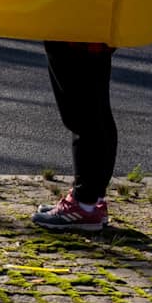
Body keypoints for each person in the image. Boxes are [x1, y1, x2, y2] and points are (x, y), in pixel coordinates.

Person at [32, 41, 117, 232]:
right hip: (96, 32)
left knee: (81, 116)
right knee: (98, 111)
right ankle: (93, 200)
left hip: (73, 31)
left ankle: (84, 203)